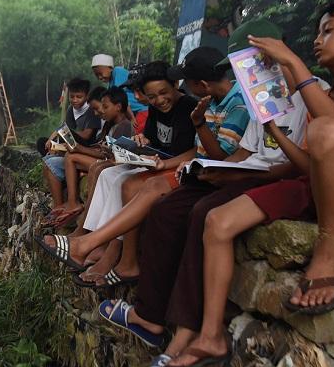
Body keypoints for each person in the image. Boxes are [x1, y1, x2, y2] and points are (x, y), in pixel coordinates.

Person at [164, 0, 334, 367]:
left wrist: (294, 64)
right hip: (318, 186)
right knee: (218, 220)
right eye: (317, 32)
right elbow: (313, 165)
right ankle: (210, 334)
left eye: (329, 30)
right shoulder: (323, 99)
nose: (318, 40)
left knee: (326, 128)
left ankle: (329, 253)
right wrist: (274, 128)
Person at [94, 19, 326, 367]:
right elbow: (246, 153)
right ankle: (150, 315)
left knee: (203, 213)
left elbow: (302, 166)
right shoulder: (262, 96)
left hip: (277, 179)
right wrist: (215, 168)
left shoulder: (314, 95)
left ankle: (184, 335)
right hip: (248, 171)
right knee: (168, 209)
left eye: (255, 61)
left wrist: (240, 164)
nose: (250, 73)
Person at [38, 50, 250, 286]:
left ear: (186, 85)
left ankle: (108, 252)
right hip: (175, 165)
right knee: (108, 174)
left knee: (130, 184)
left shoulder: (204, 107)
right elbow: (170, 143)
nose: (158, 100)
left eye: (164, 93)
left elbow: (208, 152)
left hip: (192, 169)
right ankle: (93, 241)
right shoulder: (208, 104)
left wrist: (188, 135)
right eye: (151, 96)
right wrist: (142, 145)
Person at [49, 87, 134, 226]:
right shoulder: (110, 124)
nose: (102, 111)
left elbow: (112, 156)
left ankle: (73, 202)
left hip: (111, 163)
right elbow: (102, 148)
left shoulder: (124, 126)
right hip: (104, 158)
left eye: (105, 107)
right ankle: (71, 202)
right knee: (71, 155)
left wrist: (80, 149)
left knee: (71, 157)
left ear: (118, 107)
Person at [41, 78, 102, 207]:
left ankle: (59, 151)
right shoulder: (70, 109)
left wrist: (64, 136)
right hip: (71, 142)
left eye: (79, 97)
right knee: (43, 143)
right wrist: (52, 138)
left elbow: (86, 135)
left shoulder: (91, 111)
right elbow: (63, 127)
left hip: (85, 144)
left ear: (86, 96)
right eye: (72, 96)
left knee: (65, 135)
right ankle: (58, 205)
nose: (74, 100)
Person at [91, 54, 150, 133]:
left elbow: (122, 97)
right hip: (133, 113)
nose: (99, 77)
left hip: (141, 110)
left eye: (100, 73)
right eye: (96, 75)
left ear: (110, 67)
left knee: (136, 135)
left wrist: (131, 118)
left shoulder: (117, 71)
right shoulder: (110, 84)